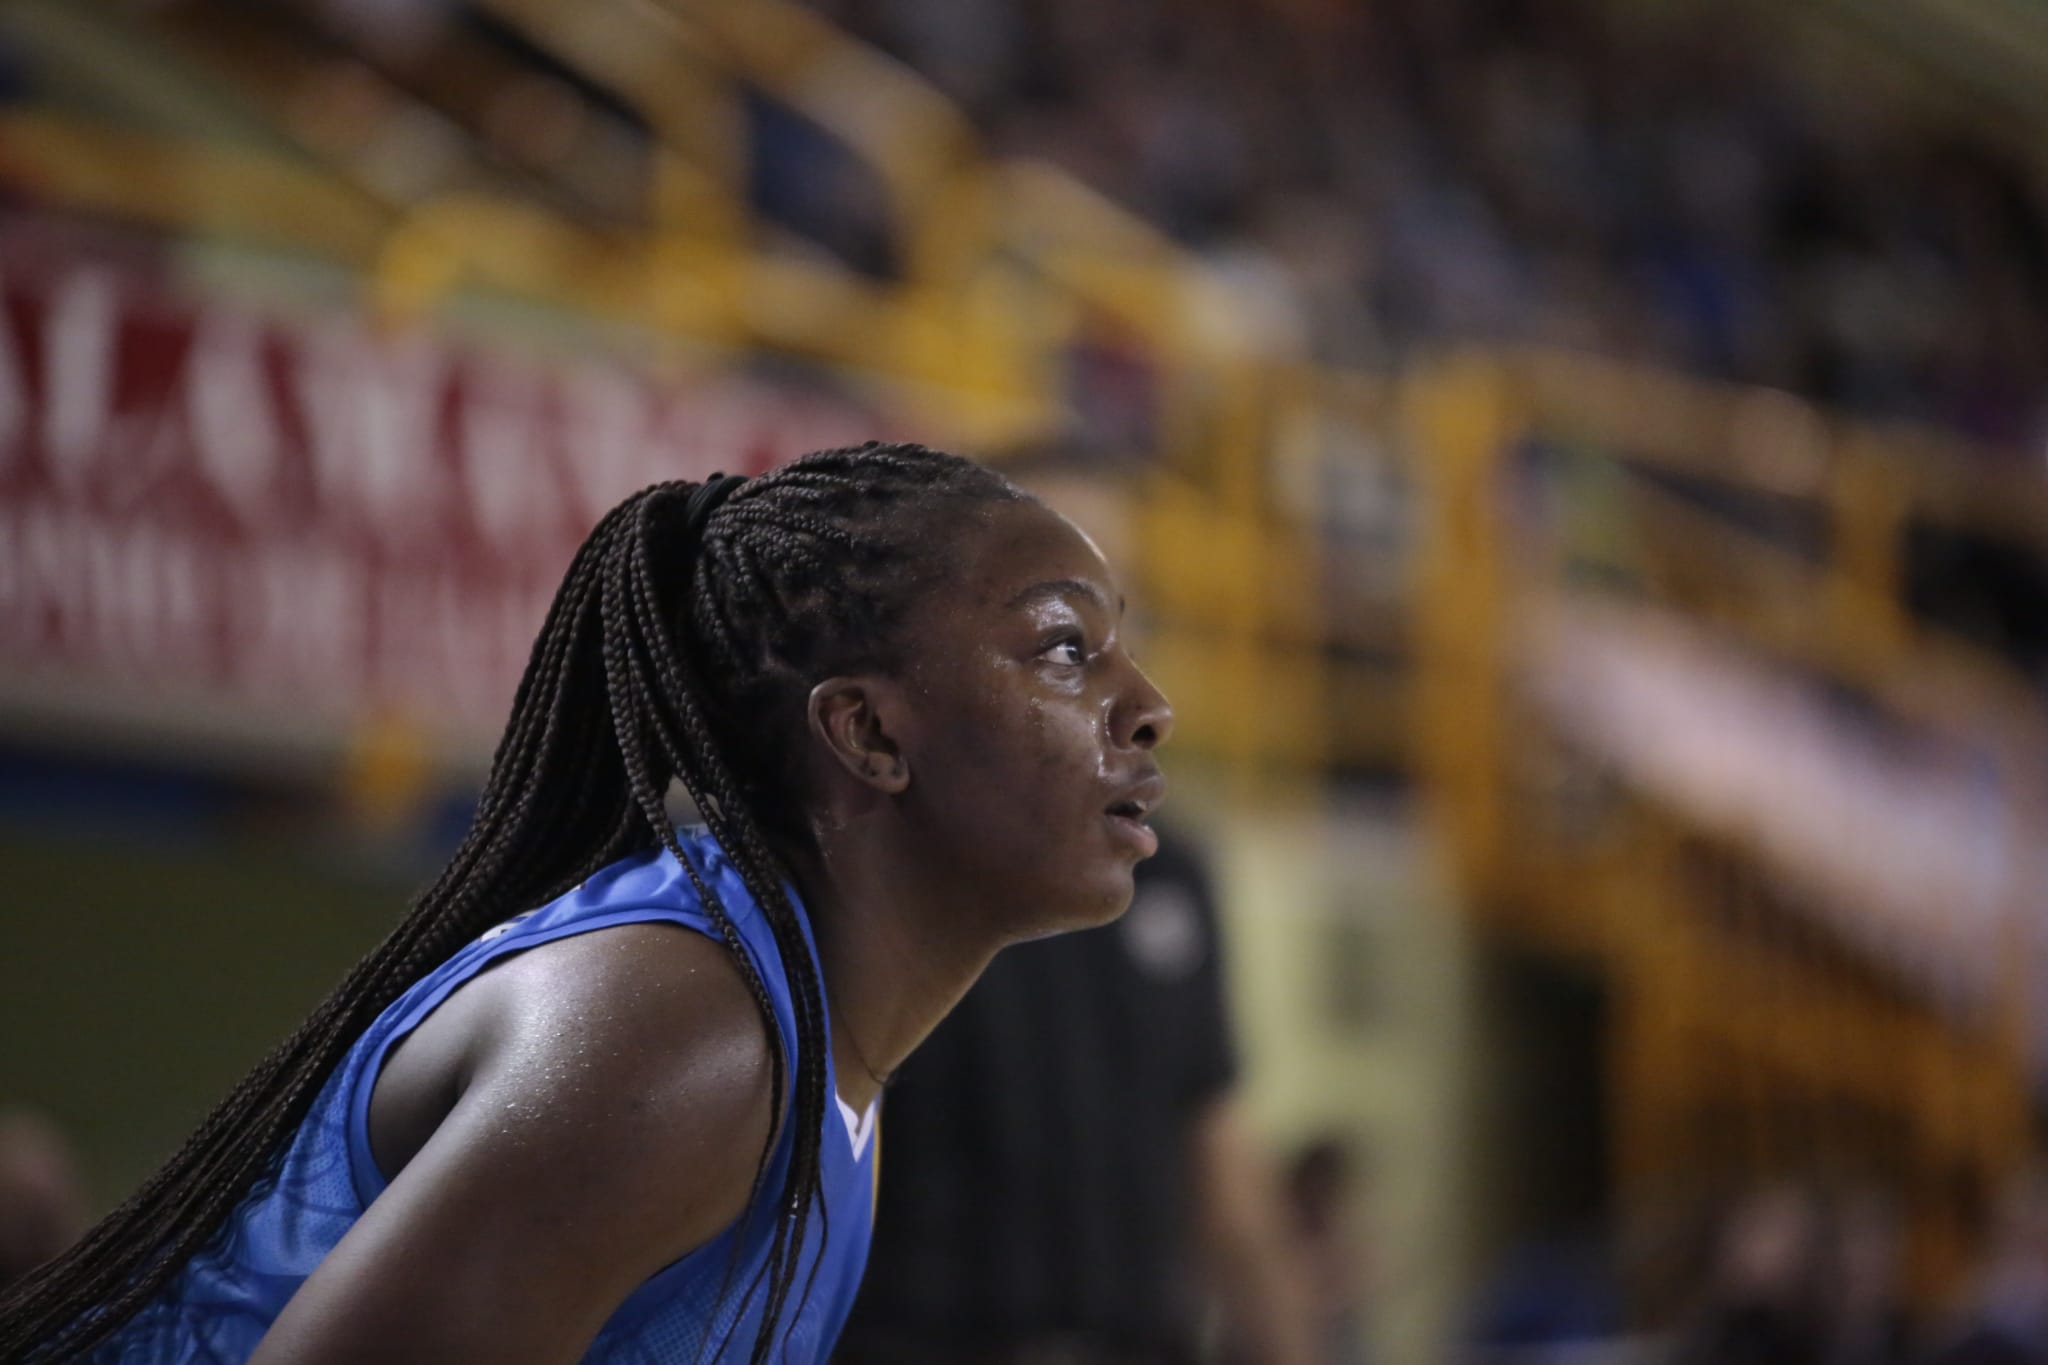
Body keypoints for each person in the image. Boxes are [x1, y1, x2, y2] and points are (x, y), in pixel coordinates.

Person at [0, 442, 1174, 1364]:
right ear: (865, 732)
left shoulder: (800, 1045)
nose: (1147, 705)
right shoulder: (679, 1035)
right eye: (1065, 651)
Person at [834, 459, 1314, 1365]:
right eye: (1063, 637)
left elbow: (1220, 1161)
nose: (1138, 694)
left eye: (1124, 625)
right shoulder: (857, 861)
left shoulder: (1169, 869)